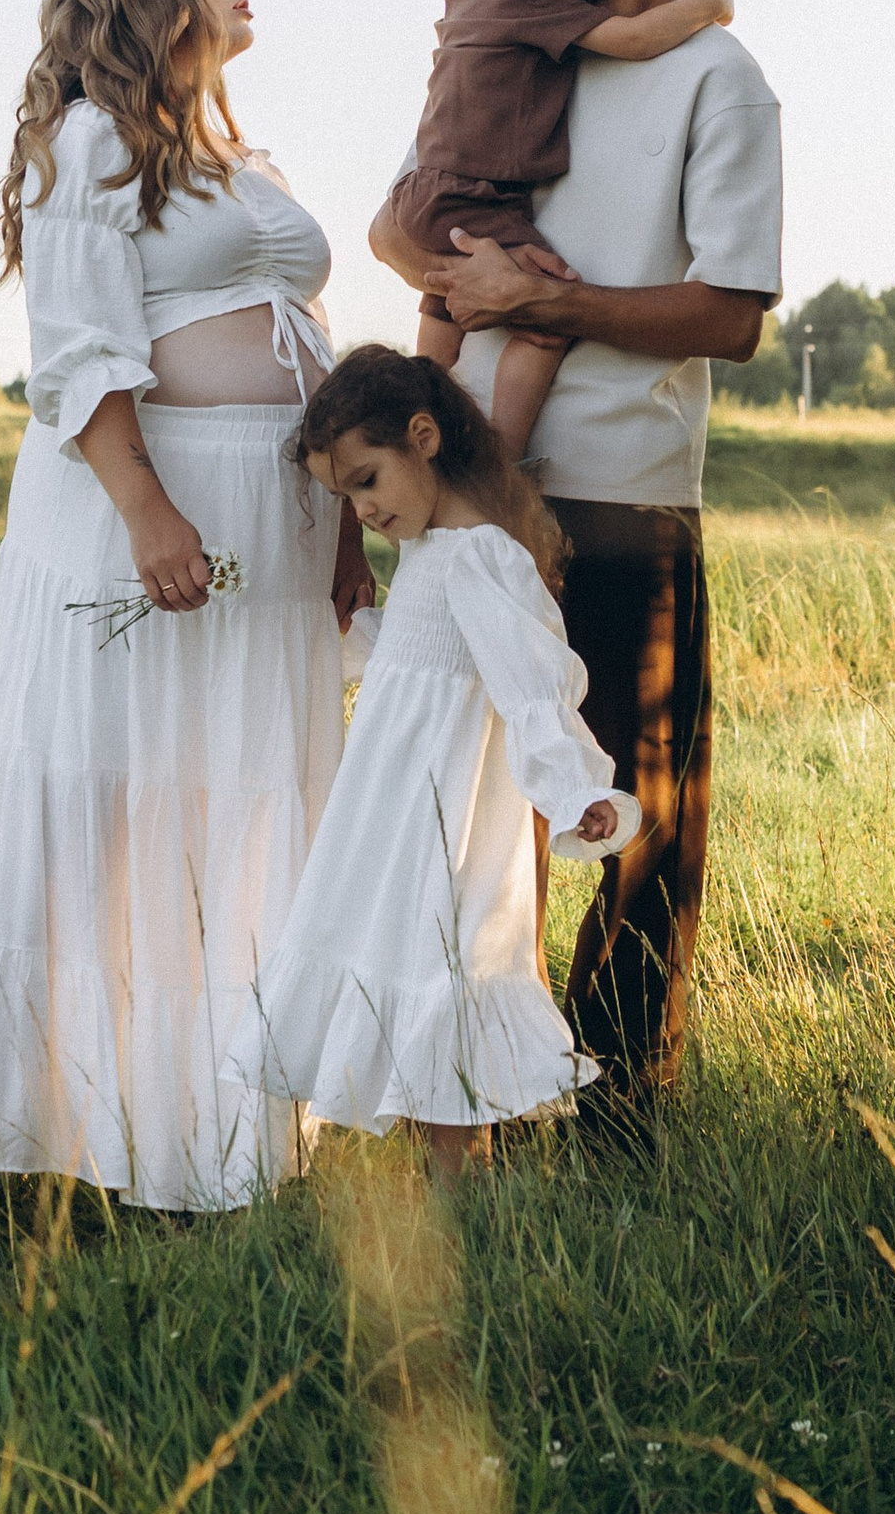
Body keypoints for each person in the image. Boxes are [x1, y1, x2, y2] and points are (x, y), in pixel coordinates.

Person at [0, 0, 373, 1251]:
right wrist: (148, 514)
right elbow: (75, 355)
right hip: (136, 509)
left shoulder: (244, 152)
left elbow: (311, 336)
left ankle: (212, 1144)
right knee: (81, 816)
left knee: (241, 812)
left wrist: (342, 517)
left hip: (275, 517)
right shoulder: (90, 145)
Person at [370, 0, 782, 1143]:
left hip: (618, 497)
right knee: (475, 800)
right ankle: (480, 1081)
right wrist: (464, 279)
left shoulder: (718, 79)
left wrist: (540, 302)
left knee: (636, 803)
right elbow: (398, 221)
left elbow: (732, 313)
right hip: (472, 496)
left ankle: (621, 1108)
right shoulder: (519, 33)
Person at [256, 346, 634, 1185]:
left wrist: (576, 789)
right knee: (408, 953)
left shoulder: (482, 557)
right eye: (344, 495)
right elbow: (421, 662)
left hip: (451, 811)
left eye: (366, 481)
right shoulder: (431, 551)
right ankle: (446, 1173)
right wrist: (349, 631)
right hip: (395, 804)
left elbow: (532, 685)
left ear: (423, 437)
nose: (362, 510)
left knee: (447, 961)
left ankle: (456, 1180)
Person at [381, 0, 736, 460]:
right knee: (541, 329)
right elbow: (631, 37)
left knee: (441, 308)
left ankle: (423, 432)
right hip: (477, 198)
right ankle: (505, 458)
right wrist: (709, 0)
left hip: (429, 192)